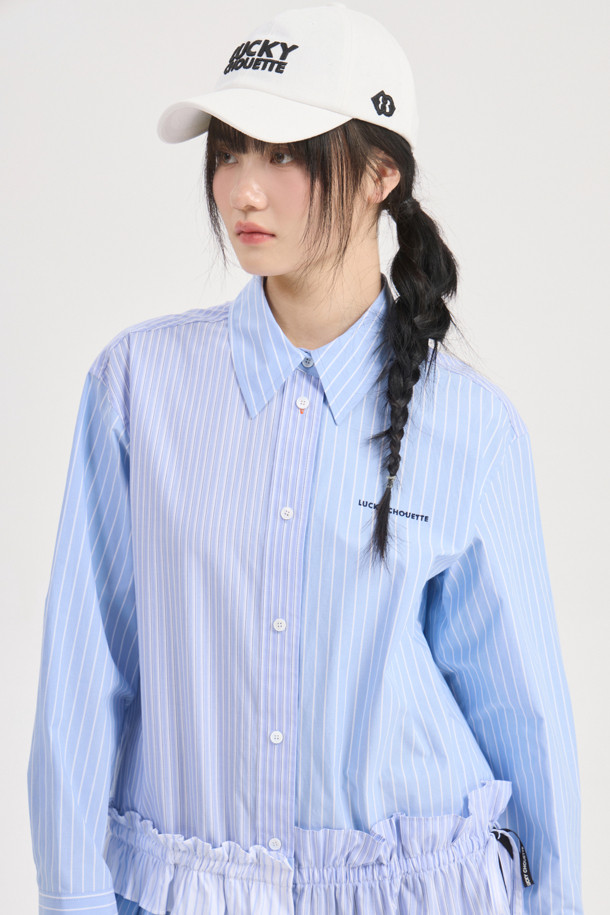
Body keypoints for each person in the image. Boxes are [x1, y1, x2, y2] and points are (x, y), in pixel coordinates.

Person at [27, 3, 582, 914]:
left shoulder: (472, 428)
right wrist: (74, 895)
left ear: (379, 173)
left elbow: (522, 713)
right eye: (229, 152)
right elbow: (85, 683)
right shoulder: (138, 386)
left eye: (284, 154)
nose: (243, 190)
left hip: (420, 889)